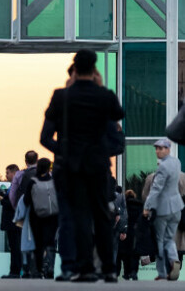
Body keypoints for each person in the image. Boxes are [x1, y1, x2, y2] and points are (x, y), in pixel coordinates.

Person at [41, 49, 124, 283]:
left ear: (75, 69)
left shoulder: (61, 97)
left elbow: (45, 136)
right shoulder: (105, 95)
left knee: (76, 216)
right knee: (101, 215)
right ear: (94, 69)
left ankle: (81, 266)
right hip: (97, 164)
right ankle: (108, 267)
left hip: (71, 165)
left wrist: (65, 151)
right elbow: (118, 114)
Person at [143, 138, 183, 281]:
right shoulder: (176, 163)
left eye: (161, 148)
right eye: (157, 148)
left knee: (160, 240)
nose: (157, 151)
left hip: (163, 209)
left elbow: (156, 189)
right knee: (169, 238)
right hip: (177, 207)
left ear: (168, 149)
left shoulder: (163, 167)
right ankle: (174, 260)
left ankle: (162, 271)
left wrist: (147, 207)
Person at [24, 158, 58, 279]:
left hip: (36, 216)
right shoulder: (55, 182)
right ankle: (50, 268)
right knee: (51, 243)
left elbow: (26, 200)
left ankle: (38, 270)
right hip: (53, 216)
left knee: (38, 244)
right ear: (49, 167)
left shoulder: (33, 182)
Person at [0, 164, 21, 279]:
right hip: (14, 222)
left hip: (13, 222)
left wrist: (2, 200)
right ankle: (15, 270)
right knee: (15, 247)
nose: (6, 175)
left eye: (7, 173)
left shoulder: (15, 187)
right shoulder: (13, 187)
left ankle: (15, 271)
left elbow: (14, 204)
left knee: (15, 247)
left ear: (14, 173)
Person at [118, 190, 142, 280]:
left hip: (126, 230)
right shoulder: (140, 205)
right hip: (136, 231)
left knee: (125, 253)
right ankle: (134, 272)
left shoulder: (124, 205)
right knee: (135, 253)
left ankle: (126, 273)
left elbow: (122, 217)